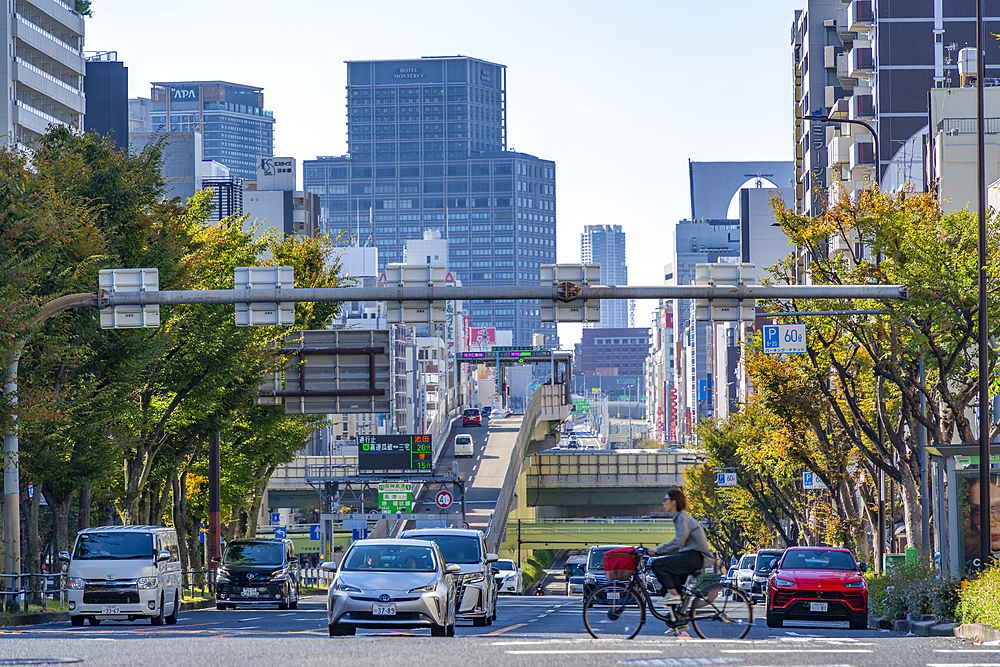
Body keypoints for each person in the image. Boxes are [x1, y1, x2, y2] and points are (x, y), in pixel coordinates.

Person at [648, 489, 713, 604]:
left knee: (656, 564)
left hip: (693, 557)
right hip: (690, 556)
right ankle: (677, 618)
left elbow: (678, 541)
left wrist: (657, 550)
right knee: (673, 587)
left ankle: (673, 595)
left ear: (674, 502)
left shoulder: (682, 517)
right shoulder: (679, 517)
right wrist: (661, 552)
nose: (663, 503)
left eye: (665, 500)